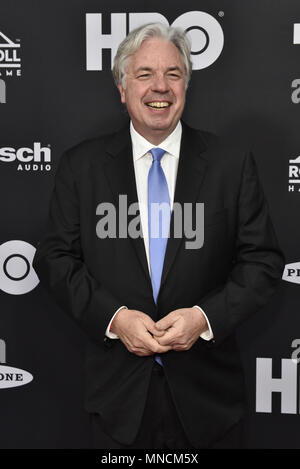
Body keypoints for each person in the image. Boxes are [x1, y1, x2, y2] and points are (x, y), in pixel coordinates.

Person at [33, 23, 285, 449]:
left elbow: (262, 261)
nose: (160, 87)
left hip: (209, 402)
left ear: (186, 85)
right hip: (117, 402)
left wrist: (203, 319)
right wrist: (115, 319)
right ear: (122, 87)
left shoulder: (230, 164)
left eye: (173, 74)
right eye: (145, 74)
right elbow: (55, 259)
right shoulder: (82, 167)